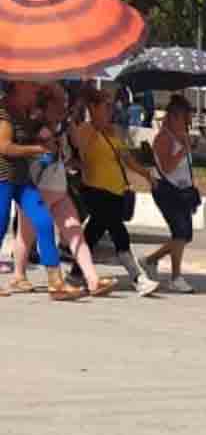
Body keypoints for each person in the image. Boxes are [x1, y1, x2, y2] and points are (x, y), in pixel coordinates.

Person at [12, 85, 117, 297]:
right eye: (60, 101)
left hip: (58, 188)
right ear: (47, 103)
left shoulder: (62, 126)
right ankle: (19, 276)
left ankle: (92, 279)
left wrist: (68, 135)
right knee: (26, 235)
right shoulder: (35, 125)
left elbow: (68, 155)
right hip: (35, 190)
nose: (65, 105)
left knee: (74, 230)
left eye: (66, 100)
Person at [70, 88, 159, 296]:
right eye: (106, 106)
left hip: (115, 191)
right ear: (93, 108)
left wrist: (147, 175)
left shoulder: (112, 132)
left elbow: (126, 159)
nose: (111, 110)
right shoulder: (85, 130)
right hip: (94, 190)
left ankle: (74, 274)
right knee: (119, 232)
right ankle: (138, 277)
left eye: (111, 106)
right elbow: (80, 152)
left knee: (93, 232)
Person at [0, 81, 84, 300]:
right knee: (0, 226)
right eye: (31, 85)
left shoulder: (27, 113)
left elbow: (34, 136)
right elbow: (5, 147)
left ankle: (56, 282)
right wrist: (37, 148)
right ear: (18, 87)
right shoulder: (4, 112)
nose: (35, 88)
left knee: (44, 221)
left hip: (23, 179)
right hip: (3, 179)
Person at [141, 95, 201, 293]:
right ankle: (176, 277)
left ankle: (150, 261)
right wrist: (183, 151)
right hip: (166, 191)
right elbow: (166, 167)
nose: (187, 123)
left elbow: (185, 167)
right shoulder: (163, 138)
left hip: (182, 191)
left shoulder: (181, 136)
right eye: (185, 118)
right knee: (180, 233)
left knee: (185, 236)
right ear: (174, 117)